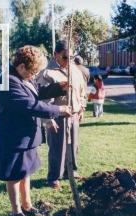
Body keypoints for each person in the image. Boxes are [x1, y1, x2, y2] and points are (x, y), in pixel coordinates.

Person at [0, 45, 71, 216]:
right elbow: (30, 105)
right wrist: (59, 110)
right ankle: (16, 211)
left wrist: (58, 87)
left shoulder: (23, 77)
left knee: (26, 172)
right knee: (14, 175)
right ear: (21, 67)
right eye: (32, 72)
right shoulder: (8, 81)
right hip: (13, 137)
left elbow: (37, 93)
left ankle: (27, 205)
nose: (34, 76)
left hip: (26, 135)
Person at [36, 40, 87, 189]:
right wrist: (48, 119)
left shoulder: (76, 70)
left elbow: (82, 91)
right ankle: (53, 178)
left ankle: (71, 171)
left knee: (73, 146)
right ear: (55, 55)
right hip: (57, 116)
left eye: (71, 57)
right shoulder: (46, 73)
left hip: (74, 115)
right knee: (58, 148)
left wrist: (82, 107)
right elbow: (43, 99)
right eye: (65, 57)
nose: (68, 60)